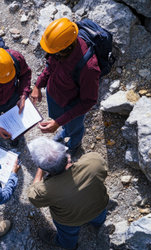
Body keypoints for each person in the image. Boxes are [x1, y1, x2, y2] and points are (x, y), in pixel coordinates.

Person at [30, 17, 101, 156]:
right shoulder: (58, 48)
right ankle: (65, 132)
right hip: (55, 97)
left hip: (72, 106)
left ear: (66, 48)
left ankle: (74, 144)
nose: (50, 54)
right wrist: (38, 85)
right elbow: (50, 66)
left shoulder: (89, 68)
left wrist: (58, 122)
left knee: (75, 128)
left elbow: (89, 101)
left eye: (54, 52)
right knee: (65, 124)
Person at [27, 136, 109, 250]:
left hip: (70, 221)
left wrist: (40, 170)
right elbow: (103, 172)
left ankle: (69, 245)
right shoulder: (93, 162)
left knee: (68, 235)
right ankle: (98, 225)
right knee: (99, 217)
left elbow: (32, 194)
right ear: (67, 154)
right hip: (99, 207)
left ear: (45, 169)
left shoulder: (44, 191)